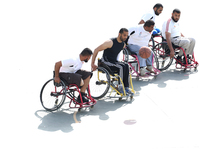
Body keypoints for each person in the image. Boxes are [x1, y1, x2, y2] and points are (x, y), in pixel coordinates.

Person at [91, 28, 133, 95]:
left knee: (126, 65)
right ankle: (120, 87)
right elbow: (96, 50)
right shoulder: (110, 42)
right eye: (124, 35)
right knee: (120, 67)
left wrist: (118, 61)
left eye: (126, 35)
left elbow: (118, 53)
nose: (125, 37)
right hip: (105, 62)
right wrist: (92, 64)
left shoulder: (123, 44)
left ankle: (126, 87)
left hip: (113, 62)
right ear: (119, 34)